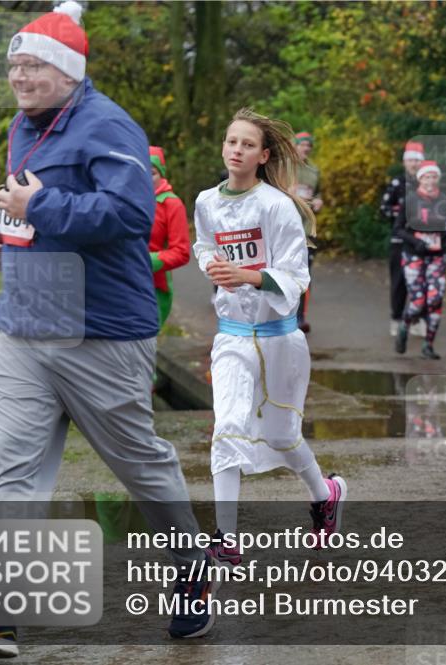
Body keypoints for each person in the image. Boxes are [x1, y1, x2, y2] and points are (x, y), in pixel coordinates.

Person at [0, 3, 217, 653]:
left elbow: (127, 213)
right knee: (13, 468)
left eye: (31, 65)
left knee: (141, 465)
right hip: (26, 326)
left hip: (101, 333)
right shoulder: (20, 126)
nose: (18, 77)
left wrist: (42, 206)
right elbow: (25, 202)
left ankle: (192, 566)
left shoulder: (107, 125)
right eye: (12, 65)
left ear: (66, 70)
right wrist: (7, 236)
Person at [193, 108, 347, 557]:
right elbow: (204, 244)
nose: (236, 150)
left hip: (280, 337)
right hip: (232, 337)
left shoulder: (276, 207)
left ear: (263, 155)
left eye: (246, 144)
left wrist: (246, 274)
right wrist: (210, 266)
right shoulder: (206, 202)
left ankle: (326, 495)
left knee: (282, 436)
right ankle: (227, 539)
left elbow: (297, 277)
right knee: (227, 428)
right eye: (231, 141)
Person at [393, 160, 446, 359]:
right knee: (418, 302)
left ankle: (428, 345)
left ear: (438, 179)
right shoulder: (410, 201)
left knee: (435, 299)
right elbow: (398, 229)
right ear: (420, 179)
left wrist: (444, 240)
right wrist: (415, 241)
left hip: (436, 257)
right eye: (426, 177)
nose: (430, 181)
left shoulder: (444, 200)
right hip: (414, 256)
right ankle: (405, 325)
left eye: (434, 177)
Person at [380, 141, 426, 339]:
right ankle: (396, 319)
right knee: (399, 281)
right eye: (410, 161)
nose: (414, 164)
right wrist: (402, 214)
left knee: (421, 281)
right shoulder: (397, 183)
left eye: (417, 161)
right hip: (400, 239)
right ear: (404, 162)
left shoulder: (428, 184)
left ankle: (417, 319)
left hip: (422, 241)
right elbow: (384, 209)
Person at [148, 146, 191, 329]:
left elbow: (181, 252)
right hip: (120, 281)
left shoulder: (171, 204)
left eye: (151, 173)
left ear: (162, 175)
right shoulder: (125, 199)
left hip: (154, 286)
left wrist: (145, 260)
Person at [293, 131, 321, 333]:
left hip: (306, 229)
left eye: (308, 147)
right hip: (285, 228)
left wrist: (319, 200)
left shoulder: (314, 170)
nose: (305, 149)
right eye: (302, 145)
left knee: (304, 274)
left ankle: (300, 317)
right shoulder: (282, 167)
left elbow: (318, 192)